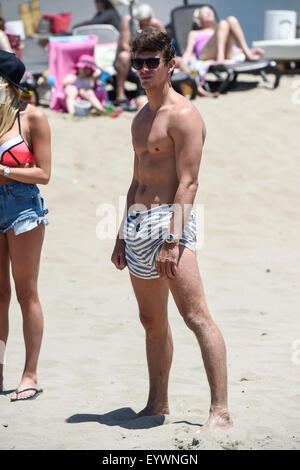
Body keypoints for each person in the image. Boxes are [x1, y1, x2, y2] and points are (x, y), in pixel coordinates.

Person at [111, 28, 232, 431]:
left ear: (170, 65)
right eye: (139, 62)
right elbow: (135, 180)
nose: (144, 69)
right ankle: (157, 402)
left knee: (196, 317)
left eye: (152, 62)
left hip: (169, 224)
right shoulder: (140, 118)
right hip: (138, 225)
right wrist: (121, 235)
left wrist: (173, 240)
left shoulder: (185, 115)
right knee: (152, 322)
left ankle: (221, 411)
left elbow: (189, 183)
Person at [0, 51, 51, 401]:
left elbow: (44, 174)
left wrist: (3, 171)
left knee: (25, 292)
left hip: (23, 208)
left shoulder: (32, 118)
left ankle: (30, 375)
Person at [113, 3, 164, 108]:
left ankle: (161, 93)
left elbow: (165, 45)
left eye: (146, 23)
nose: (143, 26)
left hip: (149, 57)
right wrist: (140, 54)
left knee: (163, 57)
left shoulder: (156, 24)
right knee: (123, 56)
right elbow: (124, 45)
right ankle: (120, 94)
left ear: (150, 18)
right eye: (140, 23)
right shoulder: (128, 21)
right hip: (131, 57)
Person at [181, 6, 264, 66]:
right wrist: (182, 64)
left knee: (231, 20)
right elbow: (188, 52)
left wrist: (252, 50)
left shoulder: (220, 30)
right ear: (199, 18)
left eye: (210, 11)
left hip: (226, 54)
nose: (209, 12)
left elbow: (234, 49)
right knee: (223, 23)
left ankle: (247, 52)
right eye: (205, 12)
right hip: (205, 55)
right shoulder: (195, 33)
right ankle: (220, 56)